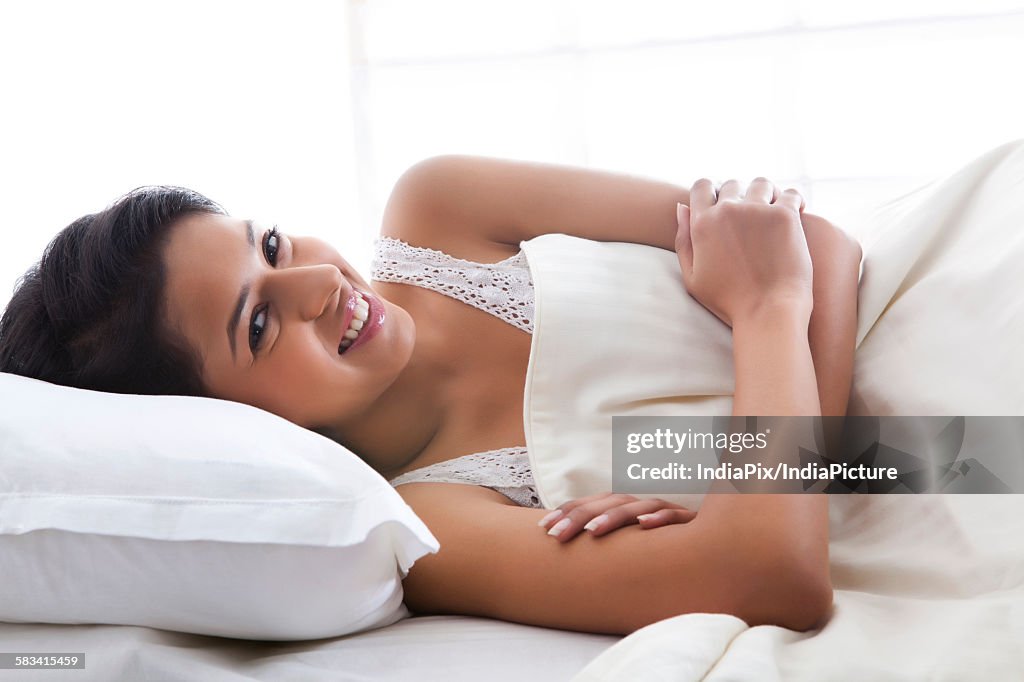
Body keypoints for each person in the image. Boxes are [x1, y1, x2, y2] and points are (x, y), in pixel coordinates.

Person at [0, 155, 862, 635]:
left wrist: (768, 475)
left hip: (922, 306)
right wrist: (769, 309)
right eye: (258, 325)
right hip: (951, 456)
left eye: (268, 242)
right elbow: (776, 574)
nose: (316, 282)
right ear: (222, 423)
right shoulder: (438, 525)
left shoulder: (441, 210)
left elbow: (813, 242)